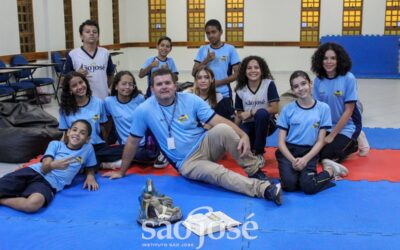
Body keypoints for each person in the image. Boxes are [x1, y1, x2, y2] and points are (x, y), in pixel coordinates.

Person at [103, 68, 282, 206]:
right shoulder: (144, 110)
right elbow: (132, 142)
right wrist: (121, 171)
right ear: (152, 88)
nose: (164, 86)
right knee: (218, 173)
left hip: (204, 144)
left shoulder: (191, 100)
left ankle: (255, 172)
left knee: (222, 129)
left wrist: (243, 134)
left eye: (167, 82)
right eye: (159, 84)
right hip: (187, 162)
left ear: (175, 85)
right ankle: (264, 190)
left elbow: (217, 120)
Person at [0, 119, 98, 213]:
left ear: (87, 139)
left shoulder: (88, 149)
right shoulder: (55, 144)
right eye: (74, 130)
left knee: (32, 204)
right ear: (68, 132)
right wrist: (53, 165)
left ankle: (3, 200)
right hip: (32, 171)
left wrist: (90, 176)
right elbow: (44, 168)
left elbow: (90, 166)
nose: (77, 134)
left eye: (82, 133)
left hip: (49, 184)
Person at [276, 71, 348, 194]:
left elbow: (320, 141)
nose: (301, 88)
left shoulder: (323, 108)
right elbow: (281, 142)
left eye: (303, 84)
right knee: (289, 185)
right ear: (293, 90)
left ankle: (329, 171)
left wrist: (305, 159)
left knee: (308, 186)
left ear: (310, 84)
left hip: (309, 151)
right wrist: (293, 160)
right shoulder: (288, 109)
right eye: (296, 86)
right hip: (289, 151)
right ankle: (298, 176)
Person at [311, 42, 370, 161]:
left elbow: (349, 110)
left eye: (333, 58)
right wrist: (319, 132)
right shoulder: (318, 81)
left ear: (339, 60)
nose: (329, 62)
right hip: (327, 126)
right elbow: (318, 110)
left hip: (348, 126)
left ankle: (356, 140)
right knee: (312, 152)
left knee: (329, 154)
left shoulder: (348, 78)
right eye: (325, 58)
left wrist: (332, 136)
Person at [104, 70, 168, 169]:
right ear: (116, 86)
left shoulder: (139, 99)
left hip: (143, 144)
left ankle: (123, 161)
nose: (127, 87)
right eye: (124, 84)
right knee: (101, 153)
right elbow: (107, 121)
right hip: (125, 146)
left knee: (144, 155)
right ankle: (125, 160)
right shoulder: (109, 102)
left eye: (130, 84)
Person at [59, 72, 123, 167]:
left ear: (86, 83)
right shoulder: (64, 109)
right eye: (74, 85)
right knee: (72, 161)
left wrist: (106, 146)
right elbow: (65, 136)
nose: (80, 86)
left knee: (127, 150)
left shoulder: (98, 103)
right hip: (77, 148)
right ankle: (98, 163)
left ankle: (93, 162)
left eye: (81, 82)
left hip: (96, 146)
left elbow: (103, 128)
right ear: (70, 90)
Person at [235, 56, 279, 163]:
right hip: (248, 124)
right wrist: (234, 131)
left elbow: (275, 108)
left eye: (256, 67)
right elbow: (240, 113)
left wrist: (252, 112)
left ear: (262, 70)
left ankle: (259, 153)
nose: (253, 70)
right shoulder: (240, 90)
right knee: (241, 147)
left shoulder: (269, 84)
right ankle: (251, 149)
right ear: (244, 71)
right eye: (249, 68)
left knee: (261, 113)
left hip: (266, 123)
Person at [64, 19, 115, 100]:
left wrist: (104, 88)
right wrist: (77, 75)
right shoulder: (73, 54)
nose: (91, 34)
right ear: (81, 36)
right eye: (87, 32)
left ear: (98, 36)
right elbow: (65, 80)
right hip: (82, 100)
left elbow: (111, 74)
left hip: (102, 98)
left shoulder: (105, 53)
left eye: (95, 32)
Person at [192, 19, 240, 99]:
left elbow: (237, 74)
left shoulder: (230, 49)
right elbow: (194, 72)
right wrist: (206, 60)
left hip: (224, 94)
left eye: (213, 32)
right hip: (204, 94)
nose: (210, 35)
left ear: (221, 32)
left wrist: (218, 83)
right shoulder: (203, 49)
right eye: (208, 33)